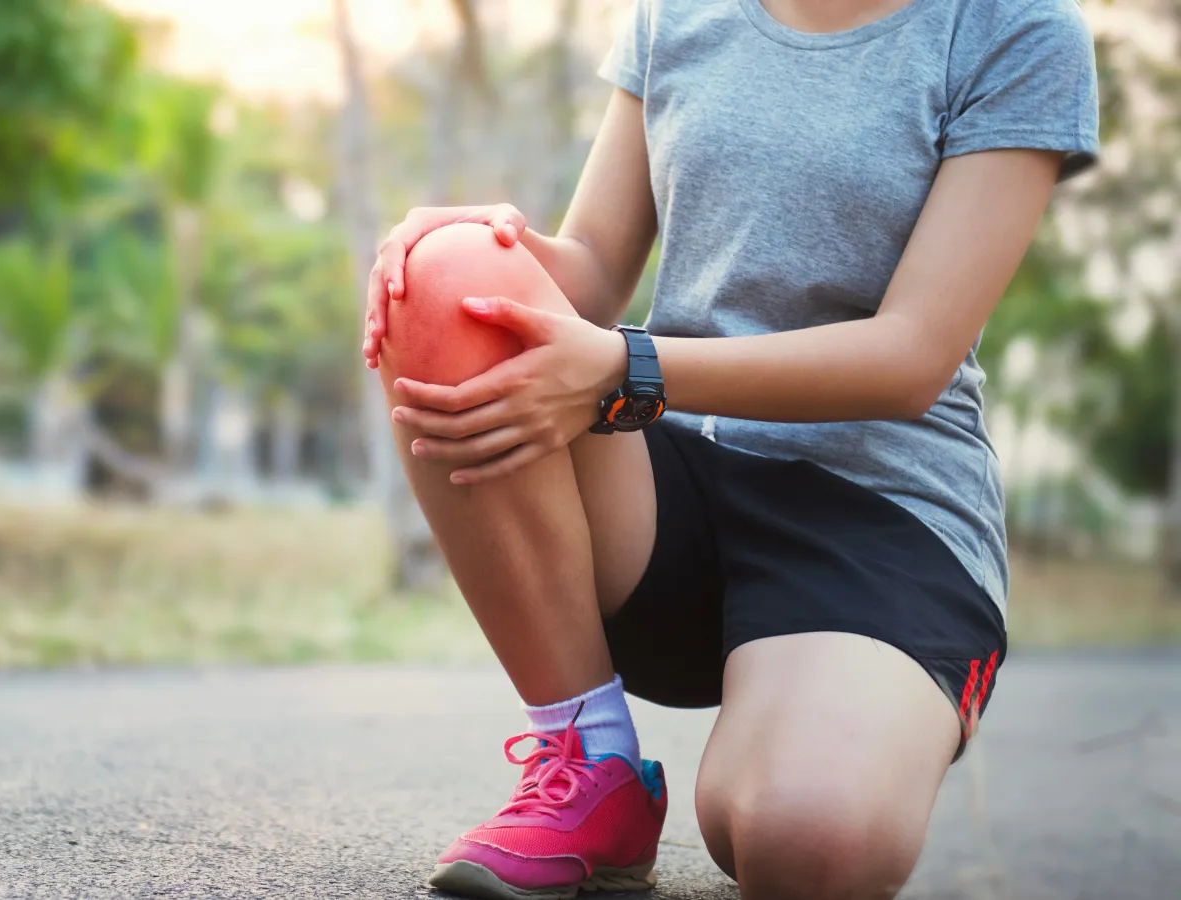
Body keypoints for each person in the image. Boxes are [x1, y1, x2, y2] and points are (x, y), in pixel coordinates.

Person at [361, 0, 1100, 896]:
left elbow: (911, 355)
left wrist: (624, 365)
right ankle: (589, 762)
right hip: (664, 482)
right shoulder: (677, 12)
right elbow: (592, 263)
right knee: (447, 274)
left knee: (803, 839)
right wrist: (481, 247)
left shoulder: (1013, 29)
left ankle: (841, 716)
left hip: (882, 511)